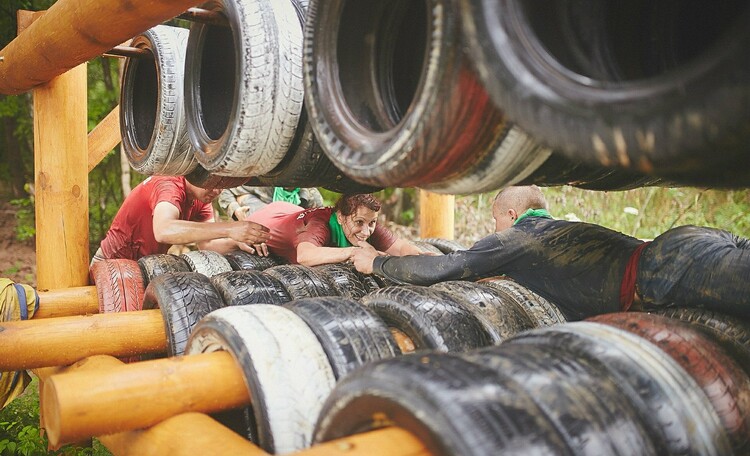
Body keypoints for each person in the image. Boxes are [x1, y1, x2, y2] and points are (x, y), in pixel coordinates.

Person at [352, 185, 750, 321]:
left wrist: (378, 262)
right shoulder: (555, 232)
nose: (492, 234)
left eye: (494, 224)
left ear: (511, 214)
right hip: (685, 246)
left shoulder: (516, 238)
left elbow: (446, 267)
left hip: (667, 268)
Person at [91, 176, 270, 264]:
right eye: (213, 184)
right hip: (110, 262)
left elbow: (207, 245)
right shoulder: (168, 184)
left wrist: (237, 242)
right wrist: (230, 228)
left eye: (221, 187)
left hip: (146, 266)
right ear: (195, 172)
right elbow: (163, 230)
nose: (216, 191)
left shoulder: (201, 199)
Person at [244, 193, 423, 266]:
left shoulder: (365, 220)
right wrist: (353, 252)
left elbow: (401, 248)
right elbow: (305, 256)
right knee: (232, 242)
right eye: (359, 223)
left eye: (372, 223)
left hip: (292, 212)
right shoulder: (320, 225)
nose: (366, 232)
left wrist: (430, 262)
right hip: (267, 221)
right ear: (340, 217)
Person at [218, 185, 324, 221]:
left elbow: (320, 219)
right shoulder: (262, 185)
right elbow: (226, 191)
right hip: (262, 223)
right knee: (244, 199)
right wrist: (236, 210)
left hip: (294, 231)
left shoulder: (310, 195)